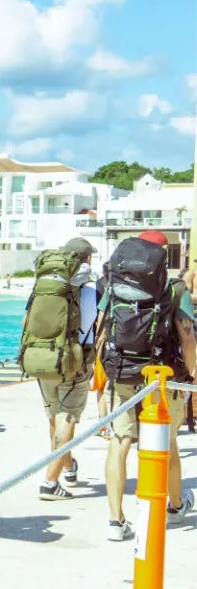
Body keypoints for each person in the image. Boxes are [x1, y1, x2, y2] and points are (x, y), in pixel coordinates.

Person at [98, 229, 196, 541]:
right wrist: (192, 374)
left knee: (120, 440)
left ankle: (116, 520)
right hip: (161, 375)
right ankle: (176, 505)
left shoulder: (115, 284)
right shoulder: (175, 288)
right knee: (166, 442)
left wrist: (102, 370)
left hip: (123, 371)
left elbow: (102, 330)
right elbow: (188, 336)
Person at [35, 238, 99, 500]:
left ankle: (68, 467)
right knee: (68, 418)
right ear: (87, 260)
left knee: (55, 419)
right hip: (74, 361)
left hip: (43, 358)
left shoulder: (44, 287)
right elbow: (95, 326)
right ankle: (50, 483)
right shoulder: (91, 291)